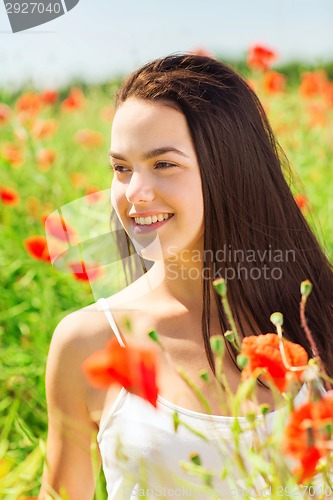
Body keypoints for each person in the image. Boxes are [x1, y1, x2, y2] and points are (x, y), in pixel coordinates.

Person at [39, 54, 333, 499]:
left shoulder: (320, 315)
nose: (133, 193)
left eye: (163, 164)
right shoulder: (88, 341)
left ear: (230, 170)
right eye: (121, 168)